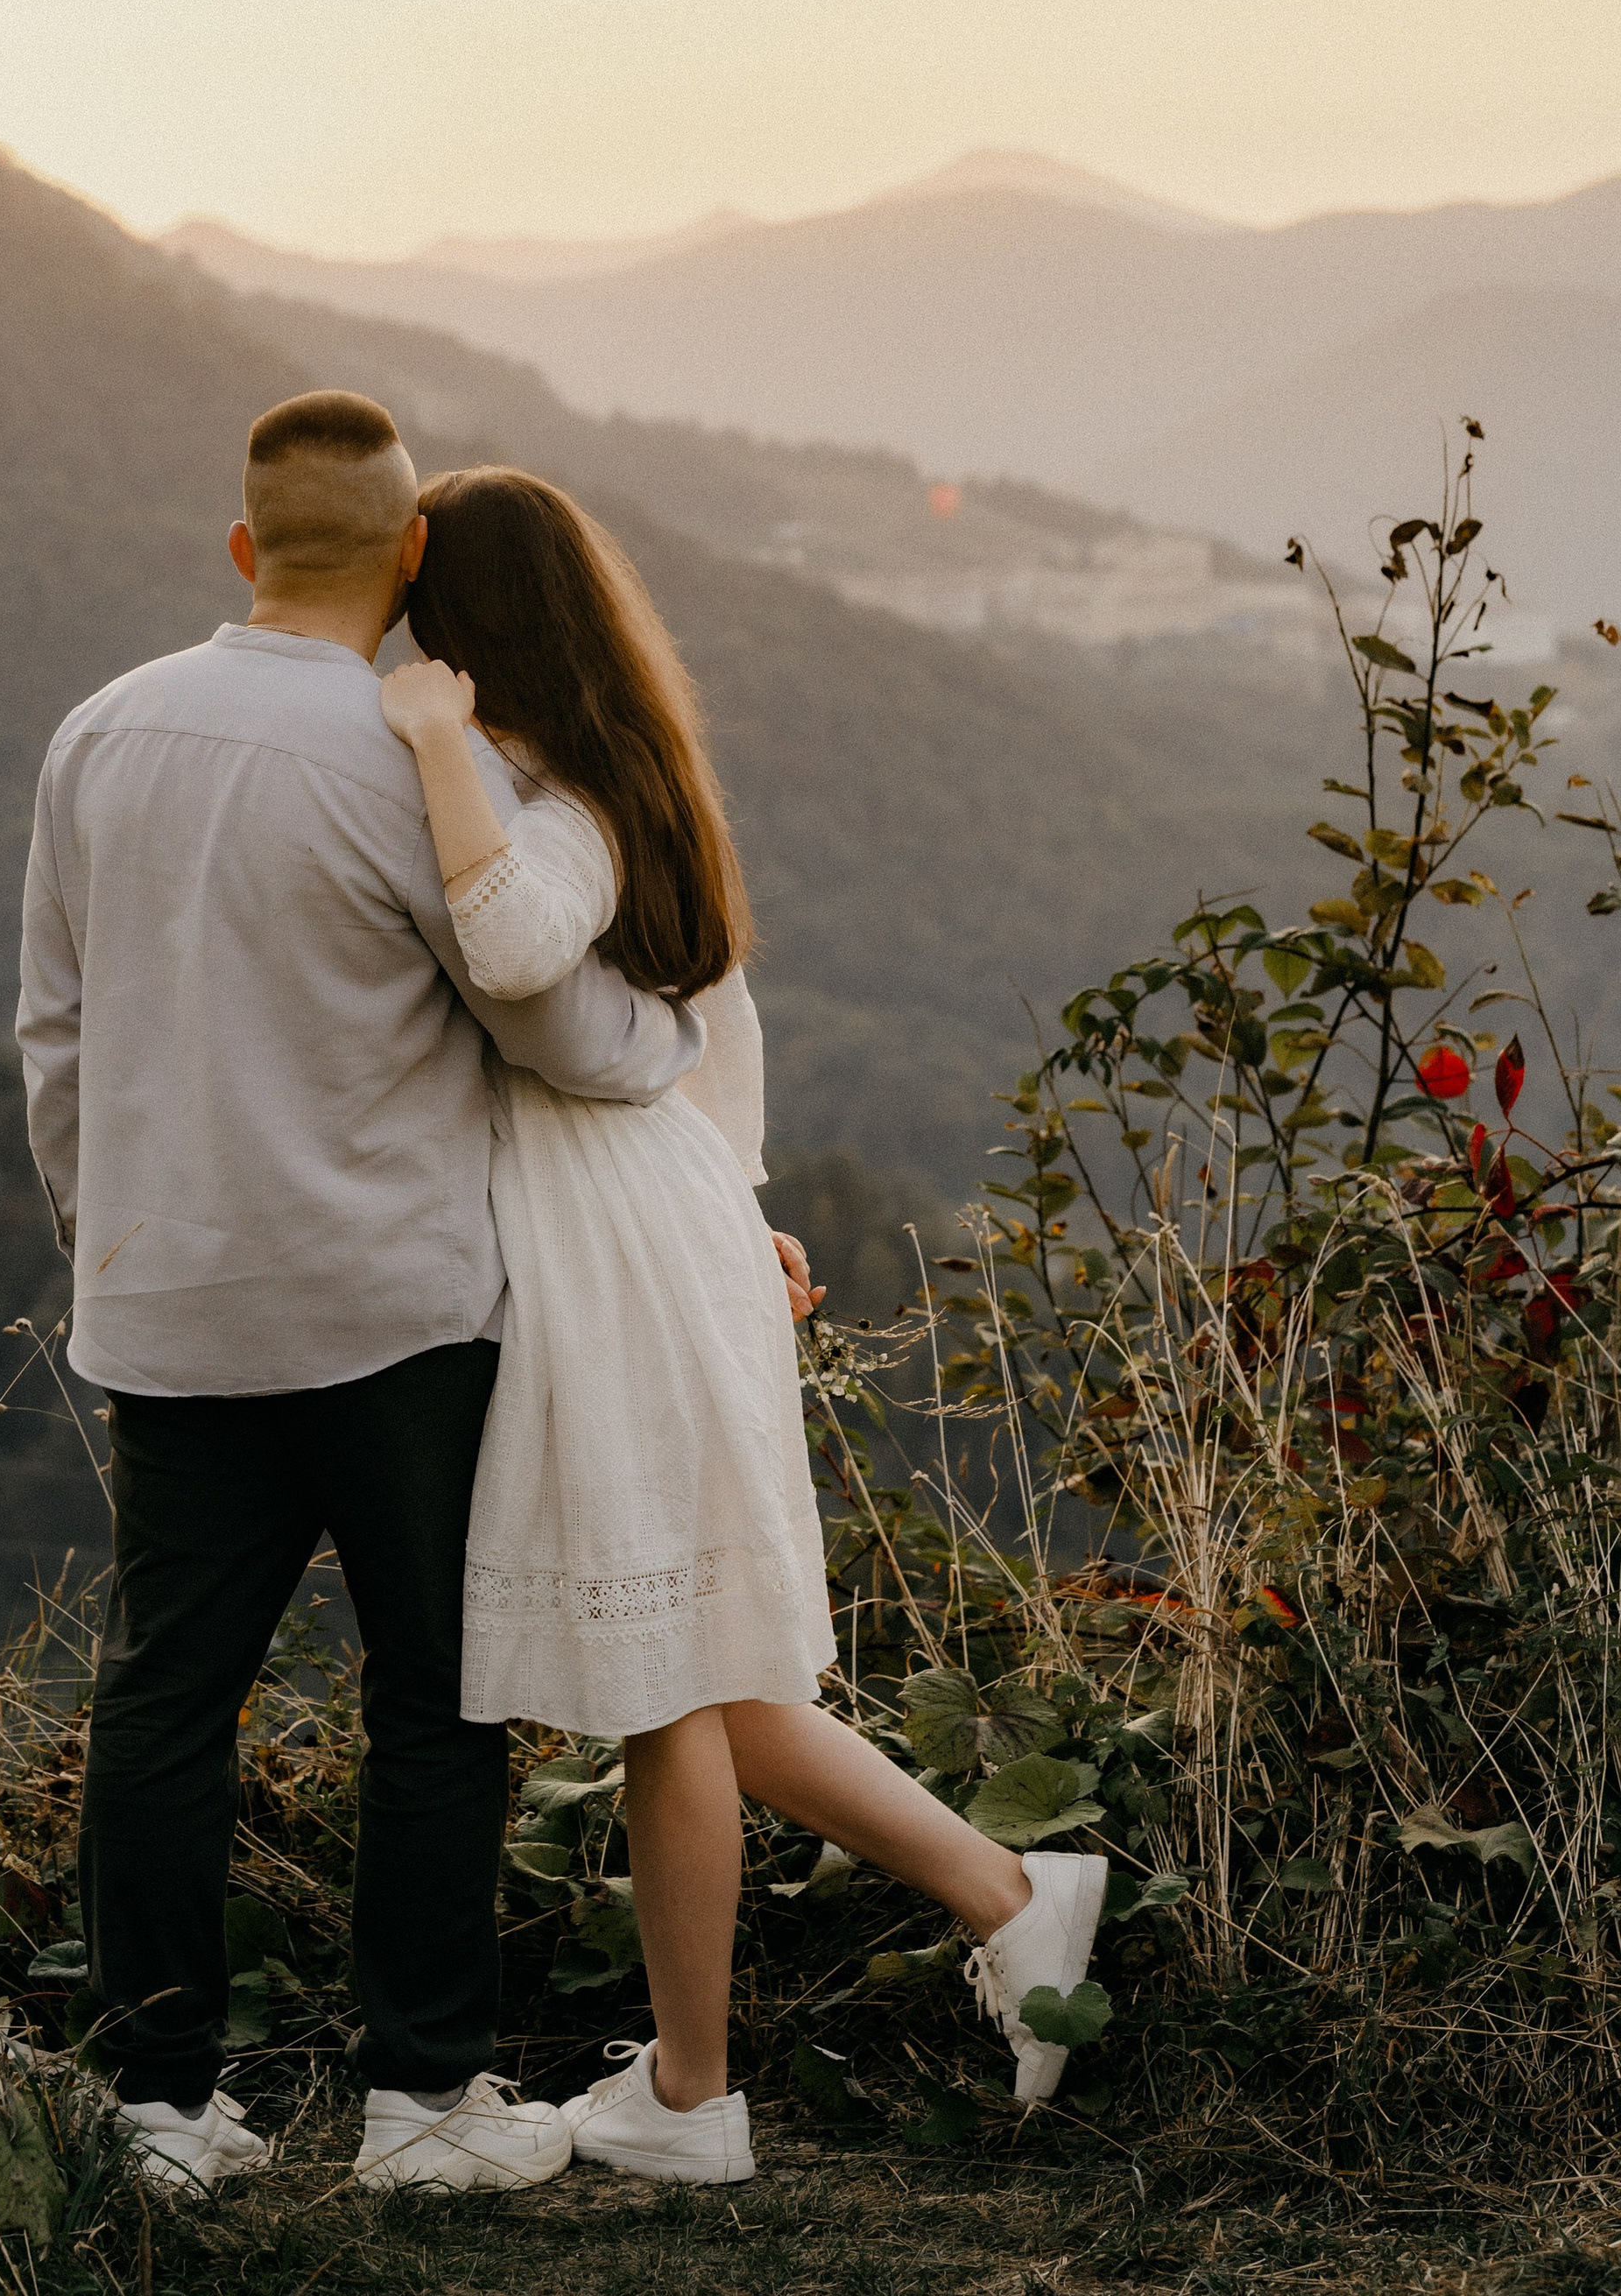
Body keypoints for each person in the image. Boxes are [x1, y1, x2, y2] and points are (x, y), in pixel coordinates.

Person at [16, 391, 712, 2194]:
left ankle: (159, 2104)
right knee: (434, 1696)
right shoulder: (427, 762)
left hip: (170, 1305)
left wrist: (113, 1232)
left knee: (166, 1698)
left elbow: (56, 1038)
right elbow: (546, 1015)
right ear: (411, 559)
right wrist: (671, 1045)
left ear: (241, 548)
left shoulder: (93, 734)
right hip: (398, 1310)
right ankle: (418, 2103)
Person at [381, 466, 1106, 2186]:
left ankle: (695, 2094)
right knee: (701, 1665)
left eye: (423, 618)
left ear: (469, 630)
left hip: (614, 1243)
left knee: (666, 1685)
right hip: (662, 1218)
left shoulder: (546, 809)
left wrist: (424, 746)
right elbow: (721, 1023)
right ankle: (1007, 1894)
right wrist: (730, 1197)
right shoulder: (636, 770)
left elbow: (502, 944)